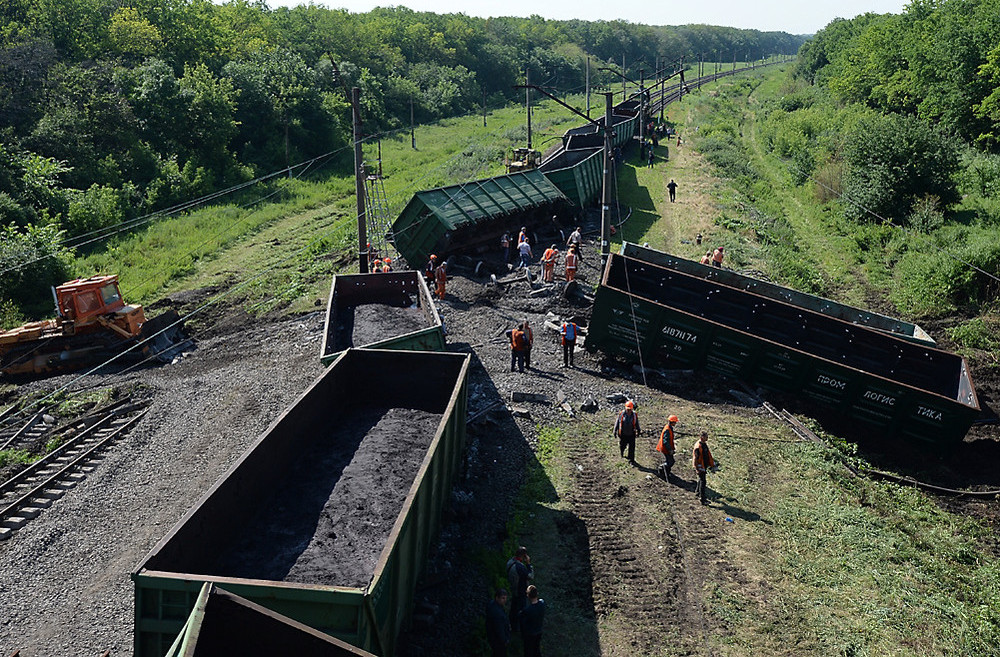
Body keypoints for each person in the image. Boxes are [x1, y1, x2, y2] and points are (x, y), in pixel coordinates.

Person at [506, 547, 533, 630]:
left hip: (513, 588)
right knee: (522, 609)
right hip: (520, 590)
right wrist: (528, 564)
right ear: (523, 556)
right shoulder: (520, 567)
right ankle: (520, 627)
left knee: (513, 608)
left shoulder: (510, 562)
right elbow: (530, 576)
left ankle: (512, 624)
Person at [518, 585, 546, 657]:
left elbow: (522, 622)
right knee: (537, 650)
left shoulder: (527, 610)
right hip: (539, 631)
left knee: (528, 652)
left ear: (528, 595)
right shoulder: (542, 604)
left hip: (530, 634)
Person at [485, 588, 511, 657]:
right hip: (498, 641)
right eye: (503, 598)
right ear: (497, 598)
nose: (505, 600)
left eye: (505, 598)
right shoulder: (497, 613)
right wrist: (505, 640)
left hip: (494, 638)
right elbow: (499, 629)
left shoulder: (493, 605)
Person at [692, 431, 716, 505]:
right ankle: (702, 499)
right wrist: (697, 468)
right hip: (700, 466)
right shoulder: (698, 447)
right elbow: (696, 458)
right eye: (706, 437)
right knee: (703, 482)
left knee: (700, 480)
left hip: (703, 465)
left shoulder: (703, 444)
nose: (707, 438)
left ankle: (697, 493)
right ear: (701, 437)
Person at [657, 415, 678, 480]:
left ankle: (666, 473)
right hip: (665, 448)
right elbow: (665, 441)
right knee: (670, 461)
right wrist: (670, 450)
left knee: (670, 461)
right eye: (675, 422)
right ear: (672, 422)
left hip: (666, 448)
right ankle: (662, 468)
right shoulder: (667, 429)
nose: (676, 423)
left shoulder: (669, 427)